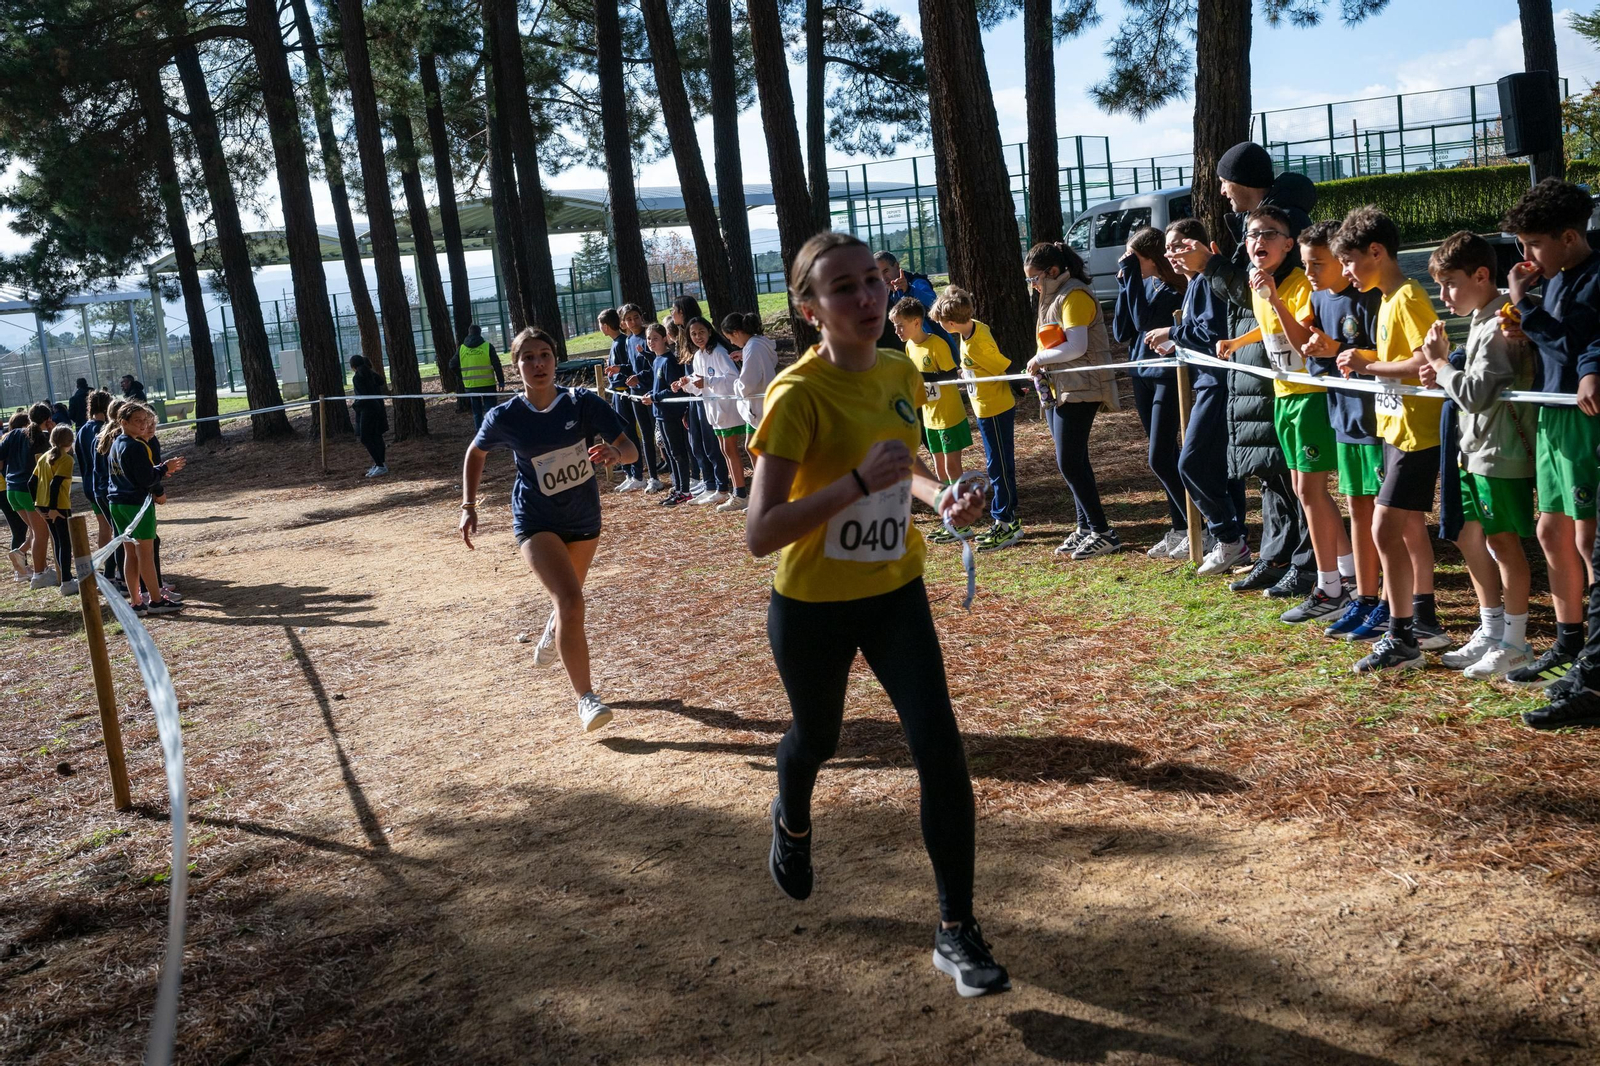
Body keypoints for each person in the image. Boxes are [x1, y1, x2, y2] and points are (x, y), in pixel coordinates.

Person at [745, 231, 1008, 998]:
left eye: (873, 280)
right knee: (818, 739)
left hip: (895, 590)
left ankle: (956, 929)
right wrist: (855, 485)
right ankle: (792, 819)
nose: (866, 297)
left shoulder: (899, 369)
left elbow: (905, 468)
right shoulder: (796, 394)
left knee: (940, 748)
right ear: (810, 310)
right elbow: (761, 532)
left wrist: (941, 496)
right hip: (812, 605)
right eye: (843, 288)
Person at [459, 327, 638, 732]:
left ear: (556, 361)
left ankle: (553, 629)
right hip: (535, 519)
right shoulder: (505, 416)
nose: (538, 364)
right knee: (571, 602)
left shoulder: (582, 403)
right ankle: (586, 699)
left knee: (567, 604)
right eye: (528, 357)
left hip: (583, 518)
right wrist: (468, 505)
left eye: (545, 355)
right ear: (515, 365)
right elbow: (476, 452)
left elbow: (630, 448)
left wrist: (615, 452)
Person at [1176, 141, 1316, 599]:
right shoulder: (1254, 225)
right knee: (1269, 473)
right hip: (1253, 367)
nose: (1221, 191)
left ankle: (1307, 564)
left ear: (1241, 181)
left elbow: (1261, 293)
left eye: (1225, 181)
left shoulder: (1284, 226)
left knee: (1292, 476)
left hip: (1280, 373)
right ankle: (1275, 559)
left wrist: (1211, 266)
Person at [1219, 205, 1352, 627]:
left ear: (1288, 243)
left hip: (1310, 396)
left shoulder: (1296, 284)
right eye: (1252, 234)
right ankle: (1345, 577)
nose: (1258, 241)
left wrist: (1274, 298)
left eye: (1269, 233)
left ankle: (1334, 584)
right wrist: (1238, 341)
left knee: (1311, 491)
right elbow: (1269, 328)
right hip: (1283, 395)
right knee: (1303, 490)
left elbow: (1298, 336)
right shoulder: (1262, 284)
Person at [1500, 181, 1600, 727]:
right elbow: (1555, 345)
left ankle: (1592, 660)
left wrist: (1525, 306)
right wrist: (1525, 325)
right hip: (1553, 416)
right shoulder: (1556, 280)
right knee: (1550, 530)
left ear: (1568, 237)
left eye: (1534, 244)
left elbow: (1576, 345)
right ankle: (1569, 641)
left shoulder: (1593, 278)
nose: (1527, 256)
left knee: (1588, 540)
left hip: (1584, 421)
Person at [1332, 206, 1449, 672]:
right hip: (1397, 431)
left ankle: (1404, 635)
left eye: (1348, 261)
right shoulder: (1386, 299)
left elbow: (1425, 361)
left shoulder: (1407, 296)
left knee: (1384, 528)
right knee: (1398, 528)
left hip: (1418, 434)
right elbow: (1400, 360)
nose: (1345, 272)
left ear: (1376, 252)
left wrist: (1368, 365)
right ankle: (1419, 624)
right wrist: (1368, 358)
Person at [1418, 232, 1536, 681]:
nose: (1443, 295)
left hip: (1498, 453)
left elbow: (1476, 394)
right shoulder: (1484, 319)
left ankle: (1516, 643)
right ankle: (1493, 631)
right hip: (1477, 450)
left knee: (1504, 543)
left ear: (1482, 275)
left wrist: (1441, 364)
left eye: (1450, 284)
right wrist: (1444, 371)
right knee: (1483, 538)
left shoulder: (1500, 323)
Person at [1297, 221, 1387, 641]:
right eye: (1306, 263)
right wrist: (1318, 351)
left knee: (1386, 517)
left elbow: (1387, 357)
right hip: (1343, 418)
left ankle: (1395, 604)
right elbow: (1320, 362)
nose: (1310, 272)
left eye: (1318, 263)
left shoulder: (1370, 295)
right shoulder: (1317, 299)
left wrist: (1338, 350)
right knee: (1358, 509)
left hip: (1377, 422)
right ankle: (1364, 598)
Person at [1148, 218, 1253, 578]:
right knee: (1223, 469)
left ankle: (1226, 536)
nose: (1170, 255)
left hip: (1219, 384)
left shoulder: (1207, 281)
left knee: (1191, 463)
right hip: (1209, 382)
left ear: (1198, 246)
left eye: (1177, 247)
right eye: (1167, 249)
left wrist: (1172, 332)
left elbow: (1212, 333)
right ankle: (1236, 538)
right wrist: (1177, 342)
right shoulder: (1195, 283)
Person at [1024, 242, 1121, 560]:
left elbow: (1077, 346)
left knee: (1069, 462)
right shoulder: (1052, 297)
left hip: (1082, 387)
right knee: (1074, 460)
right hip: (1059, 388)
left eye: (1034, 278)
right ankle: (1084, 527)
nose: (1033, 285)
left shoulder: (1074, 295)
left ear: (1053, 271)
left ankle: (1103, 532)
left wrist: (1039, 358)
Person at [1112, 226, 1188, 559]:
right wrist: (1125, 285)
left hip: (1166, 377)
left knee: (1160, 456)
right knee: (1166, 456)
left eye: (1134, 258)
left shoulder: (1175, 289)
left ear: (1151, 258)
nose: (1129, 263)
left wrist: (1130, 276)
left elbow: (1144, 322)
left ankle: (1197, 526)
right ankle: (1181, 527)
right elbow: (1121, 330)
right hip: (1141, 375)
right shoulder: (1145, 284)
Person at [931, 285, 1022, 552]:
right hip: (984, 409)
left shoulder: (977, 345)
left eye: (940, 322)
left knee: (999, 467)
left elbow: (1004, 367)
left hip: (994, 410)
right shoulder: (973, 329)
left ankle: (1006, 522)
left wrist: (1020, 385)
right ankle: (1005, 519)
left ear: (950, 323)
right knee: (997, 465)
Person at [888, 298, 970, 510]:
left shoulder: (937, 345)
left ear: (916, 322)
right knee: (939, 469)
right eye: (894, 326)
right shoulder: (909, 346)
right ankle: (950, 511)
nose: (897, 331)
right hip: (929, 417)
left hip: (948, 415)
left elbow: (950, 375)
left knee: (952, 467)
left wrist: (920, 377)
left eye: (900, 325)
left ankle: (963, 509)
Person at [105, 402, 185, 615]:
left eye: (145, 420)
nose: (143, 425)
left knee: (130, 553)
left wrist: (158, 469)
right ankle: (156, 601)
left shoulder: (116, 443)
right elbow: (146, 479)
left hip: (117, 502)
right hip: (136, 505)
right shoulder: (136, 446)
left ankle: (136, 601)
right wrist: (164, 468)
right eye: (137, 421)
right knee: (145, 554)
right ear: (123, 422)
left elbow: (133, 472)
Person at [681, 316, 748, 511]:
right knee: (725, 451)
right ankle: (736, 492)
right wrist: (686, 384)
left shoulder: (718, 352)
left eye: (701, 332)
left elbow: (733, 379)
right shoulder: (698, 356)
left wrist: (708, 382)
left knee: (731, 451)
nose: (698, 337)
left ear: (710, 332)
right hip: (713, 411)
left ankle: (740, 493)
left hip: (726, 409)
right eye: (693, 334)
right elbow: (699, 386)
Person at [636, 322, 695, 506]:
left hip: (671, 414)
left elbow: (673, 390)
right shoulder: (656, 360)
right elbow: (658, 387)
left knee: (678, 453)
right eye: (648, 339)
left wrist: (654, 397)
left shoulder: (669, 361)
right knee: (669, 453)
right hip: (660, 414)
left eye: (655, 338)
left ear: (664, 339)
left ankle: (685, 490)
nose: (651, 342)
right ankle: (677, 488)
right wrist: (651, 395)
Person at [618, 304, 668, 493]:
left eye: (636, 317)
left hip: (652, 392)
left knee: (661, 435)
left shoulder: (647, 336)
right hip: (636, 394)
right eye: (628, 319)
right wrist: (620, 370)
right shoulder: (628, 340)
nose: (633, 322)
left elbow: (655, 364)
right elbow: (632, 366)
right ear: (624, 322)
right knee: (646, 436)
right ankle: (653, 477)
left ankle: (676, 474)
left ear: (641, 316)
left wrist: (640, 377)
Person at [4, 403, 55, 587]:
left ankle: (20, 552)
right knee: (42, 533)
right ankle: (40, 574)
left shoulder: (13, 434)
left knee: (36, 530)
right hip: (29, 491)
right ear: (48, 420)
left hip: (12, 490)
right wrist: (53, 432)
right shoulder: (43, 438)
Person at [599, 308, 648, 493]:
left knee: (629, 434)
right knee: (621, 433)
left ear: (606, 326)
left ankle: (637, 474)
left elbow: (628, 368)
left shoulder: (621, 342)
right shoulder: (616, 342)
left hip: (625, 394)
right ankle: (629, 474)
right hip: (617, 393)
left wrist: (620, 374)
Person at [875, 250, 955, 356]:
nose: (883, 278)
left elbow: (934, 304)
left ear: (897, 266)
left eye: (886, 271)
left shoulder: (916, 282)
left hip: (937, 350)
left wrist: (908, 289)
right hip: (912, 352)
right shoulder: (884, 293)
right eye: (878, 274)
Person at [33, 425, 77, 596]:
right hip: (58, 506)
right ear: (70, 442)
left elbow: (31, 482)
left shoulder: (44, 457)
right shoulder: (66, 459)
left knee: (59, 542)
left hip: (44, 504)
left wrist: (37, 505)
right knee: (64, 543)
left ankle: (66, 578)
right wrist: (52, 508)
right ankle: (66, 581)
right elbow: (55, 484)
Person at [75, 390, 114, 575]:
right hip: (104, 485)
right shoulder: (104, 430)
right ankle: (115, 568)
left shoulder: (82, 430)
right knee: (115, 528)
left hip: (90, 486)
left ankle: (108, 566)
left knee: (104, 527)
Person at [1, 410, 42, 581]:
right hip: (13, 488)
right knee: (26, 530)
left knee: (30, 529)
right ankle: (26, 569)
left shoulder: (8, 438)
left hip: (10, 488)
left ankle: (20, 558)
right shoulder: (21, 439)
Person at [454, 323, 505, 429]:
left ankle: (480, 434)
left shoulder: (461, 349)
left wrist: (463, 377)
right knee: (491, 412)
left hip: (471, 385)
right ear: (480, 333)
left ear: (469, 333)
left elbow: (452, 365)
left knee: (477, 413)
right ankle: (492, 432)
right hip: (488, 384)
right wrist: (501, 381)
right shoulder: (487, 346)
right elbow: (497, 364)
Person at [350, 356, 389, 476]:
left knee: (365, 438)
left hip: (367, 409)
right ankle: (380, 463)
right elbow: (381, 381)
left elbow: (363, 396)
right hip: (377, 407)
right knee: (376, 436)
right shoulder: (371, 374)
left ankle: (380, 464)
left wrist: (355, 406)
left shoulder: (357, 377)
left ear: (353, 366)